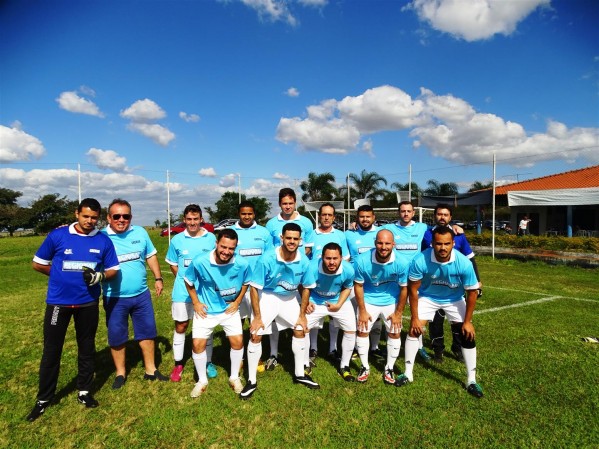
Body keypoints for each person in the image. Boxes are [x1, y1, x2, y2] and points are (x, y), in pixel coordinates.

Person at [26, 198, 120, 422]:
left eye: (94, 218)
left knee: (86, 347)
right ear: (76, 213)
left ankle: (84, 392)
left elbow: (113, 269)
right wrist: (58, 275)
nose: (89, 221)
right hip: (59, 303)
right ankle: (44, 398)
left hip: (87, 303)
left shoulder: (103, 240)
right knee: (52, 350)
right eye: (85, 216)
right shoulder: (58, 236)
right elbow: (38, 263)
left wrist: (100, 276)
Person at [397, 227, 483, 398]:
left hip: (454, 298)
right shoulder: (420, 260)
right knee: (414, 330)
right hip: (428, 297)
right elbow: (413, 290)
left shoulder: (463, 263)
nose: (442, 248)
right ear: (432, 244)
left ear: (453, 244)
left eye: (446, 244)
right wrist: (414, 318)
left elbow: (472, 292)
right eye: (438, 244)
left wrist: (467, 322)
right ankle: (407, 373)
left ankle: (471, 380)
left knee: (467, 334)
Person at [240, 223, 319, 400]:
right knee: (256, 333)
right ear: (282, 238)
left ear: (300, 241)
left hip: (289, 297)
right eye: (288, 238)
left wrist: (302, 315)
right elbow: (254, 288)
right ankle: (251, 381)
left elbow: (306, 287)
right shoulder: (267, 258)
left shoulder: (304, 260)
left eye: (295, 239)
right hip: (267, 295)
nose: (292, 241)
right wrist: (258, 317)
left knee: (300, 329)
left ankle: (300, 374)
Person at [101, 199, 168, 390]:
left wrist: (158, 278)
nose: (122, 220)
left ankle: (151, 369)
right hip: (114, 297)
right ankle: (121, 373)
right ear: (109, 218)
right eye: (117, 216)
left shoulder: (140, 232)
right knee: (117, 336)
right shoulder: (101, 236)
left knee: (147, 332)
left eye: (126, 216)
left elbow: (151, 255)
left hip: (141, 295)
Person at [183, 229, 251, 397]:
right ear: (216, 244)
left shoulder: (242, 263)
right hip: (206, 310)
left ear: (235, 248)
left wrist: (237, 302)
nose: (226, 252)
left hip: (229, 309)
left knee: (237, 342)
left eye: (231, 248)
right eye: (223, 247)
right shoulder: (200, 261)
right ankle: (201, 381)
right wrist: (196, 302)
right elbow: (188, 281)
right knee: (198, 345)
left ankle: (234, 377)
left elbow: (246, 283)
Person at [421, 204, 482, 363]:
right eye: (439, 214)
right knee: (436, 320)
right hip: (434, 284)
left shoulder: (459, 235)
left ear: (450, 217)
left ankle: (457, 347)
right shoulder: (427, 235)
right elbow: (423, 259)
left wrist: (478, 279)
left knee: (457, 320)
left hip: (455, 284)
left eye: (446, 214)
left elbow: (470, 258)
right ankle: (438, 349)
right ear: (434, 216)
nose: (442, 217)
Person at [262, 188, 314, 371]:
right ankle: (273, 354)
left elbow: (308, 248)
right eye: (284, 203)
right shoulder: (271, 224)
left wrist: (296, 261)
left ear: (295, 203)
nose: (287, 206)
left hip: (297, 274)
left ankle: (304, 359)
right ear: (279, 204)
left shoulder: (306, 222)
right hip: (277, 276)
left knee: (302, 315)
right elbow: (269, 248)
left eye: (291, 203)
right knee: (274, 317)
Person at [165, 204, 216, 382]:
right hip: (182, 292)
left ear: (201, 219)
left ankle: (208, 362)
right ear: (184, 220)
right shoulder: (177, 240)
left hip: (205, 292)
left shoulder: (211, 239)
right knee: (181, 326)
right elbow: (172, 263)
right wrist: (183, 278)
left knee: (205, 327)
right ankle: (178, 364)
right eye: (189, 219)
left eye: (196, 219)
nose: (192, 223)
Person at [354, 229, 409, 385]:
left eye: (387, 243)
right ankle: (364, 366)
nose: (383, 247)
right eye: (380, 243)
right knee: (362, 330)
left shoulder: (402, 262)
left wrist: (398, 313)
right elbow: (358, 286)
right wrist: (363, 310)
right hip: (369, 300)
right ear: (375, 243)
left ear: (393, 244)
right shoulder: (362, 260)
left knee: (395, 332)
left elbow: (404, 288)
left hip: (391, 300)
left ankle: (389, 367)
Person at [300, 242, 357, 382]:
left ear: (341, 258)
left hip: (337, 300)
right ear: (322, 257)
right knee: (302, 329)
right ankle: (305, 363)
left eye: (335, 258)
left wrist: (338, 305)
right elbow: (302, 285)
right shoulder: (311, 267)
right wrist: (307, 302)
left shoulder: (348, 269)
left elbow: (347, 287)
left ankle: (345, 366)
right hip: (315, 301)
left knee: (351, 329)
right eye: (328, 258)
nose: (332, 262)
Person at [382, 200, 431, 362]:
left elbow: (440, 229)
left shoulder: (422, 227)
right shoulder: (389, 228)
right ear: (398, 212)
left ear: (413, 213)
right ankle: (390, 341)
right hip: (396, 277)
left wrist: (455, 227)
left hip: (416, 278)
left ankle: (420, 346)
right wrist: (354, 224)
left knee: (418, 312)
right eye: (403, 211)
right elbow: (372, 232)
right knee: (393, 309)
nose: (406, 214)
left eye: (409, 211)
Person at [308, 203, 350, 365]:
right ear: (319, 216)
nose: (326, 217)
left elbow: (345, 258)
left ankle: (332, 348)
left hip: (335, 283)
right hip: (317, 283)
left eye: (329, 215)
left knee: (334, 318)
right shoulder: (312, 234)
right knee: (313, 319)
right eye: (323, 214)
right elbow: (306, 255)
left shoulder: (340, 235)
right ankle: (313, 347)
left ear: (334, 217)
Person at [344, 204, 385, 360]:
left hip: (377, 281)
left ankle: (374, 347)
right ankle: (356, 347)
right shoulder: (349, 234)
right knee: (357, 315)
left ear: (374, 217)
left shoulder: (381, 233)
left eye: (368, 216)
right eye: (362, 216)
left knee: (377, 316)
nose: (365, 219)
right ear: (357, 218)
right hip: (356, 281)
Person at [229, 200, 274, 321]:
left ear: (254, 214)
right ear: (239, 214)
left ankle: (255, 340)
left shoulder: (264, 232)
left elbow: (270, 256)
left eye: (250, 214)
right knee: (236, 320)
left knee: (256, 319)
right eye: (244, 214)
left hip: (259, 285)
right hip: (237, 285)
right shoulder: (231, 232)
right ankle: (238, 340)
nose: (247, 216)